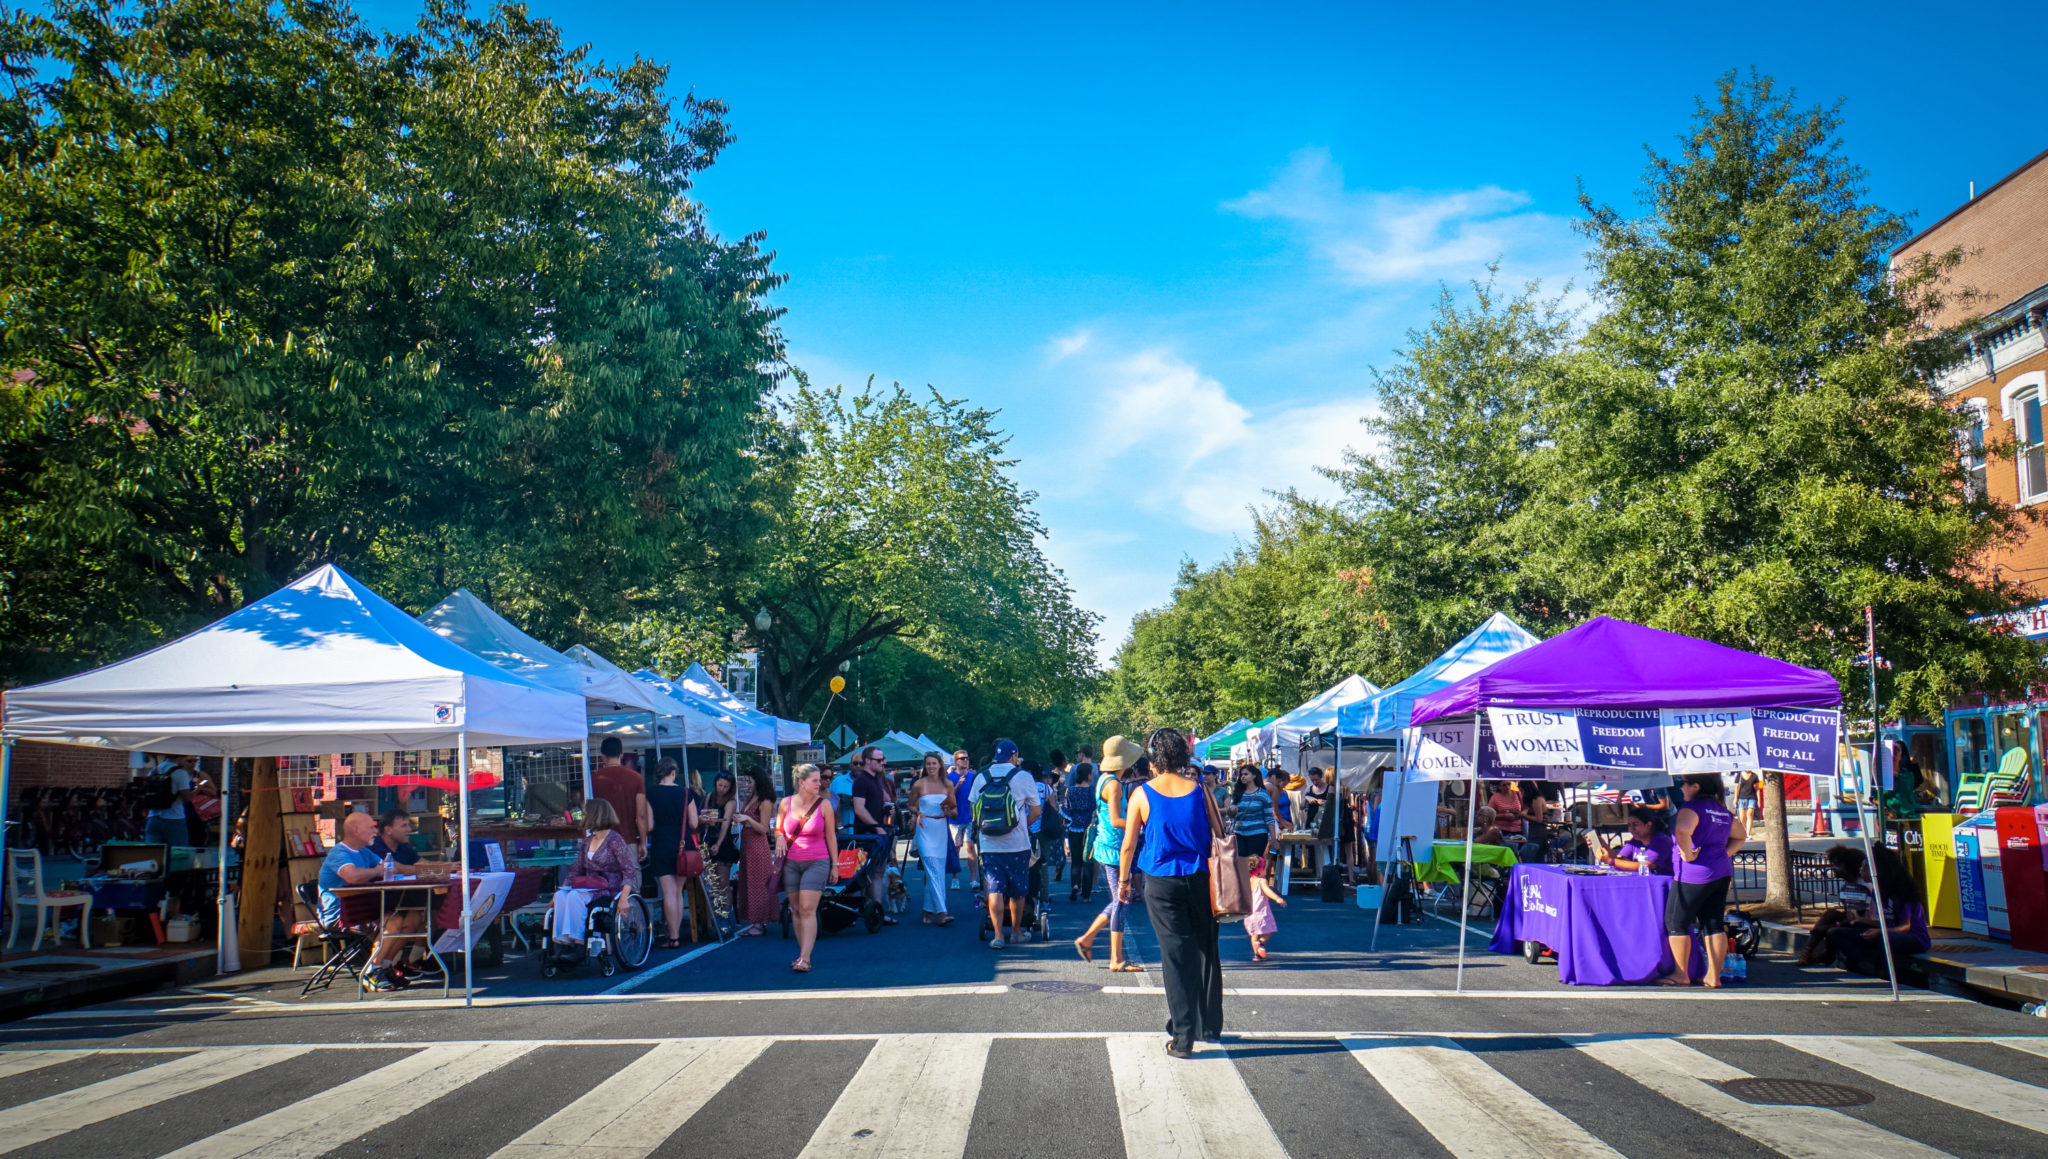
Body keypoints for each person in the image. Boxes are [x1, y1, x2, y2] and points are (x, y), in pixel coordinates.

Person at [1120, 729, 1223, 1059]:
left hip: (1162, 881)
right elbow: (1220, 834)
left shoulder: (1141, 793)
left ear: (1153, 759)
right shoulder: (1200, 789)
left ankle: (1183, 1035)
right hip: (1201, 878)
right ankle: (1209, 1024)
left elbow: (1129, 845)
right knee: (1206, 947)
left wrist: (1124, 882)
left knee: (1175, 955)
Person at [1661, 773, 1746, 988]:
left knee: (1676, 922)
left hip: (1693, 874)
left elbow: (1682, 830)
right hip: (1721, 871)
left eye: (1684, 784)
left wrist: (1688, 853)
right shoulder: (1721, 810)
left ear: (1695, 786)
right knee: (1713, 922)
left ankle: (1681, 974)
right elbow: (1741, 834)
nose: (1681, 789)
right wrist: (1727, 853)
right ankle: (1713, 976)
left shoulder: (1692, 808)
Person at [320, 811, 421, 991]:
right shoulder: (339, 853)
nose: (375, 831)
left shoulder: (364, 852)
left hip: (365, 908)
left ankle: (385, 966)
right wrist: (377, 871)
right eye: (370, 827)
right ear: (356, 830)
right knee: (395, 920)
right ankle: (371, 970)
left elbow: (391, 866)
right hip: (342, 914)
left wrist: (421, 870)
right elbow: (352, 876)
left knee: (413, 916)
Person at [1075, 737, 1144, 970]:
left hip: (1106, 844)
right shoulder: (1113, 784)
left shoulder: (1104, 779)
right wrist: (1140, 822)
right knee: (1122, 899)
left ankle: (1088, 938)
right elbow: (1116, 820)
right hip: (1114, 847)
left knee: (1120, 898)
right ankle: (1116, 958)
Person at [970, 739, 1042, 948]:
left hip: (989, 844)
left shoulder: (981, 776)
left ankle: (998, 936)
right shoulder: (1023, 777)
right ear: (1013, 756)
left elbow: (974, 809)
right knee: (1018, 890)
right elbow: (1036, 811)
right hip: (1017, 844)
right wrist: (1019, 825)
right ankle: (1017, 931)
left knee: (994, 889)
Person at [776, 763, 839, 972]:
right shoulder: (785, 803)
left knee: (807, 908)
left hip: (817, 860)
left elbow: (831, 836)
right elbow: (778, 827)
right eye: (815, 780)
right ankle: (802, 952)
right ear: (802, 783)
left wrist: (835, 865)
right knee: (796, 910)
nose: (819, 784)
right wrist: (778, 837)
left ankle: (805, 957)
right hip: (791, 862)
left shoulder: (825, 805)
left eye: (820, 780)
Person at [647, 758, 700, 949]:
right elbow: (694, 823)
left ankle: (673, 936)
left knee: (668, 891)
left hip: (661, 843)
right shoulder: (686, 793)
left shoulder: (650, 793)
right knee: (678, 891)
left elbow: (650, 824)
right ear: (673, 772)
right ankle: (676, 935)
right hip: (683, 845)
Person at [847, 746, 898, 925]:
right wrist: (877, 828)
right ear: (868, 761)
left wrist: (886, 809)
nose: (882, 763)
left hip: (878, 831)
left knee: (877, 872)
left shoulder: (877, 780)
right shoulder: (862, 781)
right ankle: (873, 911)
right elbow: (859, 809)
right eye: (878, 760)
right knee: (869, 874)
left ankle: (874, 910)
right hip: (868, 834)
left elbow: (872, 806)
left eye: (883, 759)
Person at [911, 753, 958, 925]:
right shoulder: (918, 784)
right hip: (924, 827)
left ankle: (926, 910)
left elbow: (955, 811)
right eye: (928, 764)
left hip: (941, 828)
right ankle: (942, 912)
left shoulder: (947, 784)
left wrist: (949, 812)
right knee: (931, 867)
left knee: (937, 871)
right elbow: (910, 805)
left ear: (940, 765)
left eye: (934, 763)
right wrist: (917, 812)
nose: (931, 767)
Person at [733, 769, 779, 936]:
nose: (747, 784)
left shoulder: (765, 801)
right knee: (747, 882)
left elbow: (764, 828)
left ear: (758, 781)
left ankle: (760, 922)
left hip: (757, 846)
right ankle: (754, 920)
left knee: (758, 884)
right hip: (747, 845)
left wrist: (748, 819)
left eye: (750, 781)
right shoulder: (751, 798)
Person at [590, 737, 650, 863]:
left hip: (601, 841)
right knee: (630, 878)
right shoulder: (637, 778)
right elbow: (641, 815)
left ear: (602, 756)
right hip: (629, 840)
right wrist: (644, 842)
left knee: (605, 880)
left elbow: (589, 812)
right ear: (621, 755)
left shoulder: (593, 780)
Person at [1588, 807, 1676, 874]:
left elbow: (1647, 866)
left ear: (1648, 824)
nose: (1631, 829)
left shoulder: (1661, 840)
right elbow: (1620, 860)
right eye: (1629, 825)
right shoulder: (1635, 841)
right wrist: (1602, 844)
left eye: (1635, 824)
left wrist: (1609, 861)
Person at [702, 771, 741, 911]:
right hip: (709, 839)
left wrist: (718, 843)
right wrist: (706, 821)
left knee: (723, 882)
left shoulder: (731, 802)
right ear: (715, 784)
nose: (722, 789)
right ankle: (713, 916)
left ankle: (724, 915)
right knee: (710, 882)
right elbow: (704, 817)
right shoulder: (709, 797)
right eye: (720, 785)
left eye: (726, 786)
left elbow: (725, 824)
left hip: (724, 843)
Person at [142, 754, 198, 848]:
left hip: (153, 817)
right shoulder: (180, 773)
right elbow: (186, 798)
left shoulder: (154, 771)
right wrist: (197, 790)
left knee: (154, 853)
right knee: (178, 852)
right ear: (180, 758)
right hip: (174, 818)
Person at [1063, 756, 1099, 902]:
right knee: (1088, 861)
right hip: (1088, 830)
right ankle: (1086, 895)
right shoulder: (1092, 792)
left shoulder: (1071, 791)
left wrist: (1071, 821)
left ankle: (1075, 884)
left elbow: (1066, 811)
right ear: (1088, 775)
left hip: (1074, 829)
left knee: (1076, 860)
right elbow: (1095, 810)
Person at [1244, 856, 1287, 962]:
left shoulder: (1246, 882)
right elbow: (1268, 891)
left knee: (1254, 935)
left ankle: (1256, 955)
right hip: (1261, 913)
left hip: (1249, 914)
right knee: (1269, 931)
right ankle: (1261, 943)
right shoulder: (1261, 881)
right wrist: (1277, 898)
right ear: (1260, 870)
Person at [948, 750, 978, 891]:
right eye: (962, 758)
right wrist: (957, 786)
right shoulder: (949, 778)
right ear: (956, 762)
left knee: (970, 848)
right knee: (956, 849)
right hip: (955, 819)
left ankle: (973, 880)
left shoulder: (973, 777)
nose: (965, 760)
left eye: (967, 758)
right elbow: (946, 797)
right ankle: (955, 878)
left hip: (970, 818)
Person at [1231, 767, 1273, 862]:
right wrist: (1231, 810)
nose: (1243, 777)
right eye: (1241, 775)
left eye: (1246, 774)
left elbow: (1269, 818)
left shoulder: (1263, 794)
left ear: (1254, 776)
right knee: (1241, 864)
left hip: (1257, 834)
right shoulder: (1238, 793)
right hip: (1239, 834)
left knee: (1254, 865)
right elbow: (1231, 815)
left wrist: (1273, 838)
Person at [1302, 767, 1330, 832]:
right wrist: (1306, 799)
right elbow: (1301, 806)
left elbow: (1334, 805)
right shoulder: (1309, 789)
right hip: (1311, 820)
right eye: (1312, 780)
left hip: (1324, 820)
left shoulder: (1329, 789)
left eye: (1317, 780)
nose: (1314, 782)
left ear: (1321, 777)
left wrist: (1325, 802)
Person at [1734, 770, 1761, 835]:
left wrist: (1759, 800)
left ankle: (1748, 833)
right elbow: (1737, 787)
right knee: (1742, 816)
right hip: (1741, 797)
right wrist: (1735, 798)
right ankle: (1744, 830)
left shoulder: (1754, 775)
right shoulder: (1739, 775)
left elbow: (1757, 789)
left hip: (1751, 797)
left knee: (1750, 814)